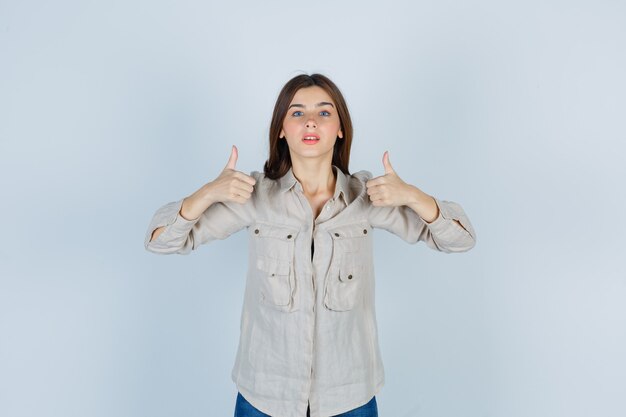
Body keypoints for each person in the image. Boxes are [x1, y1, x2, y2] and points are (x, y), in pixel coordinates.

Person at [144, 73, 477, 417]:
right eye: (297, 113)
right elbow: (161, 240)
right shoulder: (254, 196)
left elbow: (459, 239)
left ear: (341, 129)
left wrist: (412, 195)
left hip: (350, 397)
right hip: (265, 395)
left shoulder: (367, 196)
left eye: (324, 112)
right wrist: (208, 192)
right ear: (281, 130)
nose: (311, 121)